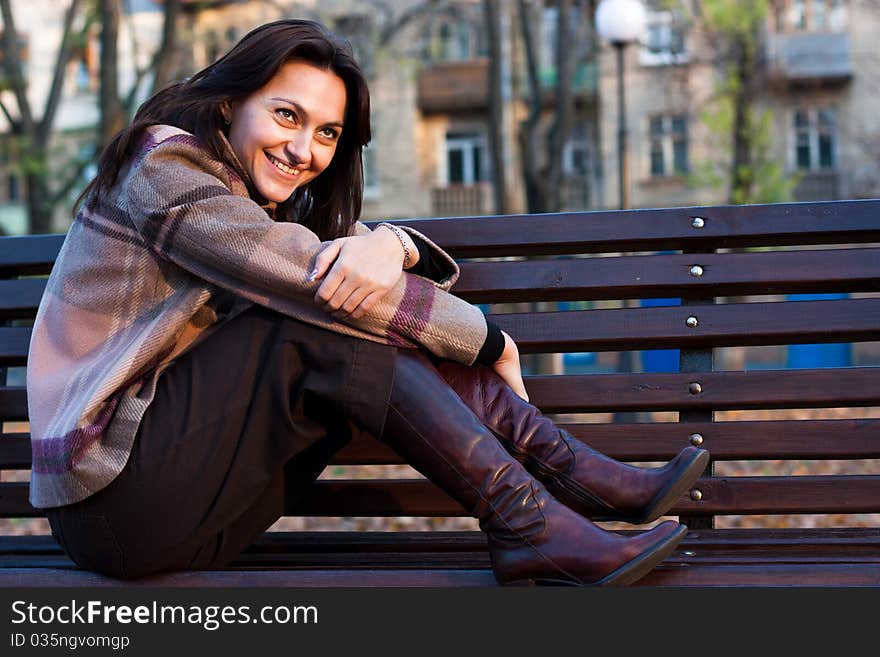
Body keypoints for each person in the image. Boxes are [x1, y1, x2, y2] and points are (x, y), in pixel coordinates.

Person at [27, 19, 707, 586]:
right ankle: (539, 511)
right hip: (114, 503)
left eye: (326, 133)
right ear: (231, 102)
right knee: (317, 323)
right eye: (287, 115)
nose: (304, 148)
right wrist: (493, 341)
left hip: (197, 509)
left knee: (338, 311)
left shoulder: (255, 202)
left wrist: (391, 246)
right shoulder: (165, 169)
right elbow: (316, 280)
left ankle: (563, 485)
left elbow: (351, 269)